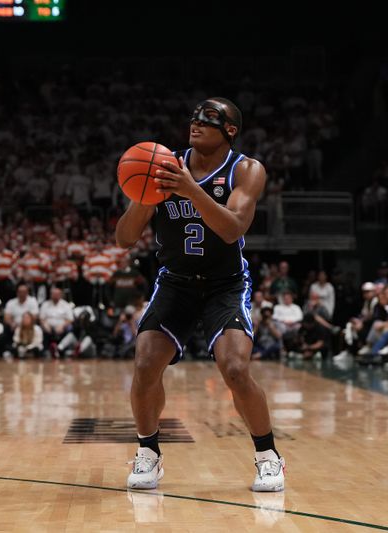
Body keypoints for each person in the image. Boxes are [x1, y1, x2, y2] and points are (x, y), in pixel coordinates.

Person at [115, 97, 284, 492]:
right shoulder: (162, 165)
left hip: (225, 284)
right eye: (193, 115)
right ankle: (148, 454)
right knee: (144, 364)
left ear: (230, 130)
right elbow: (124, 238)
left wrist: (191, 190)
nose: (196, 122)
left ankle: (268, 457)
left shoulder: (246, 170)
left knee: (237, 370)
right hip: (175, 281)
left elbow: (232, 229)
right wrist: (144, 196)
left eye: (210, 118)